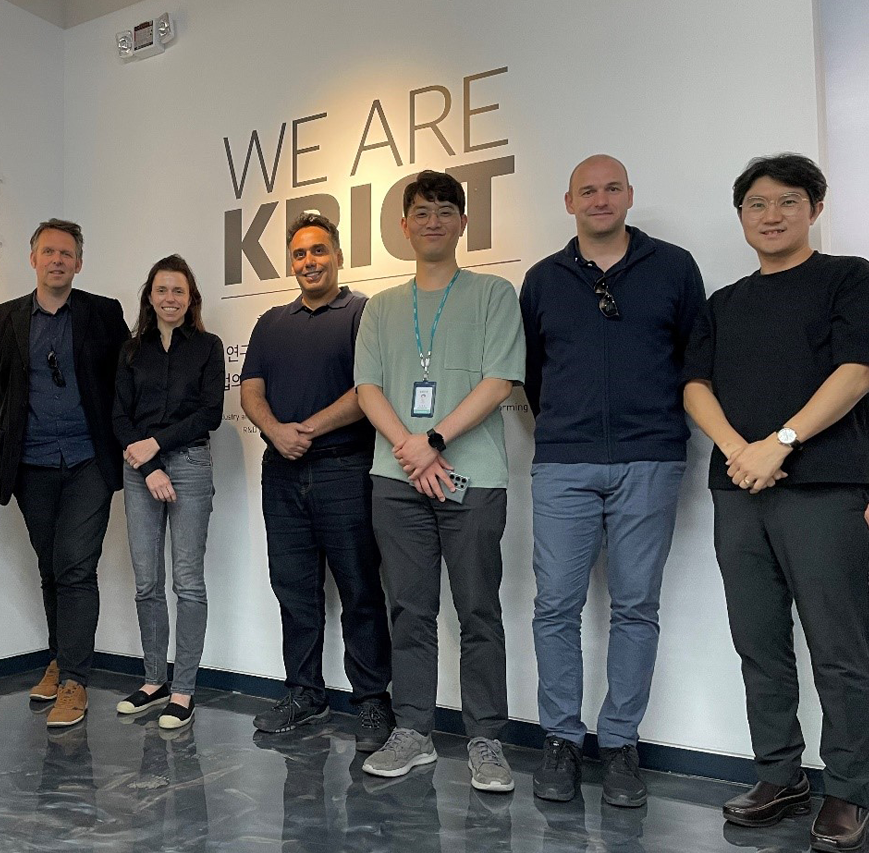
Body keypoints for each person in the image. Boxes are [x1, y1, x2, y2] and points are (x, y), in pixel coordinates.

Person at [683, 153, 869, 853]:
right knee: (758, 642)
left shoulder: (849, 278)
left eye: (787, 202)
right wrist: (743, 449)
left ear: (814, 208)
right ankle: (781, 774)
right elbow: (694, 384)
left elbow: (856, 373)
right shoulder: (725, 302)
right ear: (741, 218)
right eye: (757, 205)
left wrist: (781, 442)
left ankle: (850, 789)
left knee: (840, 647)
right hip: (741, 492)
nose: (771, 215)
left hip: (825, 489)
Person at [520, 155, 706, 807]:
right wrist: (568, 427)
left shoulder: (675, 268)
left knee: (635, 607)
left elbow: (694, 362)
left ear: (631, 194)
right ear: (568, 200)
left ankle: (621, 742)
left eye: (612, 188)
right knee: (554, 607)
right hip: (564, 462)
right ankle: (562, 739)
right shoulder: (543, 279)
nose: (600, 199)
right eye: (588, 190)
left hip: (650, 460)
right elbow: (534, 376)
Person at [354, 170, 526, 785]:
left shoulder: (493, 294)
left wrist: (432, 441)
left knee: (479, 611)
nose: (433, 220)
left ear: (462, 222)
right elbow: (367, 386)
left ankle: (485, 739)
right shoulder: (381, 306)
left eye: (445, 210)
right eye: (421, 211)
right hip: (396, 480)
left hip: (471, 477)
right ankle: (413, 731)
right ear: (404, 226)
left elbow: (499, 379)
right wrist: (409, 449)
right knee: (409, 609)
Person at [240, 213, 394, 752]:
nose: (310, 261)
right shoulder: (270, 322)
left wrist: (306, 429)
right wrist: (276, 432)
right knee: (294, 590)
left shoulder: (362, 313)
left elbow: (367, 388)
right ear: (291, 261)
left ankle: (372, 699)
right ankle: (305, 692)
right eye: (301, 253)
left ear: (338, 256)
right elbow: (250, 391)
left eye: (319, 251)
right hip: (281, 474)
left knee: (359, 588)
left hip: (344, 470)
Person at [0, 219, 130, 728]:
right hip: (33, 462)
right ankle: (60, 658)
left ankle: (75, 682)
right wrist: (25, 423)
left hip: (90, 459)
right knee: (49, 566)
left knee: (75, 566)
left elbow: (123, 378)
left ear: (79, 262)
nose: (57, 260)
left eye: (67, 253)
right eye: (49, 252)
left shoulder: (104, 315)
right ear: (33, 258)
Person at [112, 255, 224, 730]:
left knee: (188, 582)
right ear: (150, 296)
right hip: (140, 469)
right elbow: (119, 416)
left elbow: (209, 413)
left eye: (179, 291)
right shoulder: (132, 350)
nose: (170, 299)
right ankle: (154, 680)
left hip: (190, 464)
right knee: (145, 580)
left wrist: (157, 447)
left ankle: (184, 689)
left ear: (190, 298)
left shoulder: (208, 347)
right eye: (162, 290)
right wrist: (151, 465)